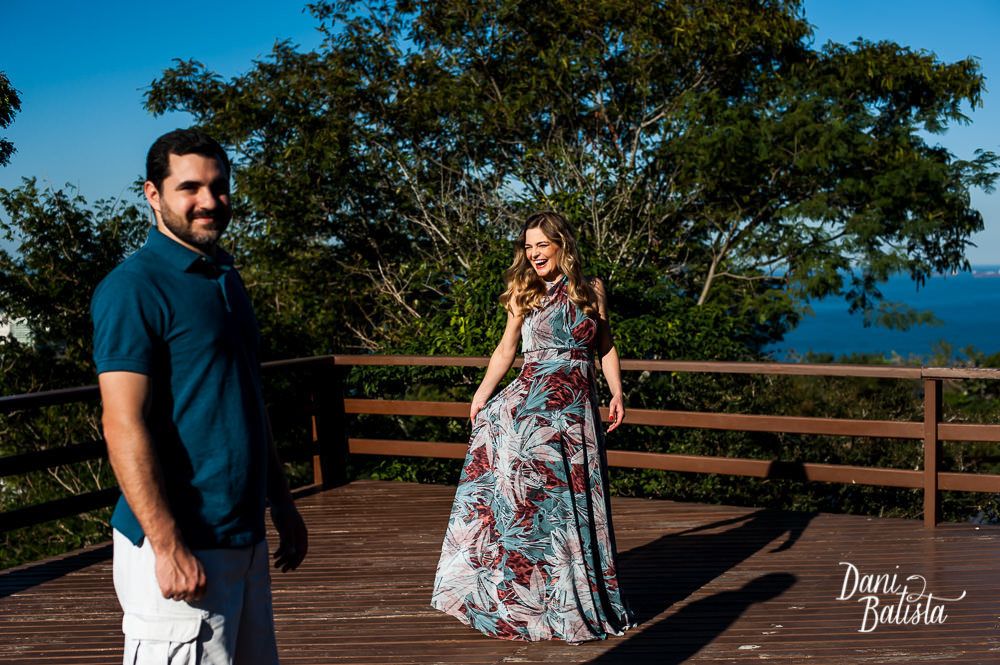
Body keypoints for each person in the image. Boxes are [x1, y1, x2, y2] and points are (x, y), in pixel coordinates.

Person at [91, 128, 307, 664]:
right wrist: (167, 546)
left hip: (243, 536)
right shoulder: (133, 287)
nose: (209, 201)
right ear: (152, 193)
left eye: (219, 186)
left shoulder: (224, 278)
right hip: (180, 543)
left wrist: (281, 502)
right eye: (189, 187)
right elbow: (122, 423)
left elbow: (247, 399)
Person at [431, 211, 633, 643]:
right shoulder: (525, 291)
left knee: (571, 506)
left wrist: (617, 392)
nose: (535, 253)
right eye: (528, 246)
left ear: (562, 245)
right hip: (532, 416)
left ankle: (570, 597)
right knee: (536, 509)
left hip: (576, 413)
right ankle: (525, 599)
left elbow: (605, 345)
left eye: (542, 244)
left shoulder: (592, 290)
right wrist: (481, 395)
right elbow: (506, 350)